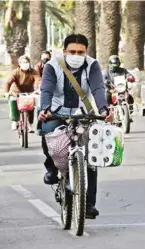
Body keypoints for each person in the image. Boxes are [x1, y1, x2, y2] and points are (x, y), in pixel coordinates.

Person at [39, 34, 113, 218]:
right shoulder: (52, 66)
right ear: (64, 51)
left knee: (90, 158)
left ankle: (88, 205)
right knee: (48, 134)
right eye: (72, 51)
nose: (76, 55)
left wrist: (104, 109)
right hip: (56, 111)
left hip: (84, 113)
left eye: (80, 52)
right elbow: (46, 88)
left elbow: (97, 88)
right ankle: (51, 169)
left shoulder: (92, 65)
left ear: (86, 52)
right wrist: (45, 108)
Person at [3, 55, 41, 132]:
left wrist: (38, 89)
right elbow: (7, 83)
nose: (25, 64)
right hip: (16, 93)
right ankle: (14, 120)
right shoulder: (16, 72)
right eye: (23, 62)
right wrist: (6, 92)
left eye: (27, 62)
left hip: (29, 93)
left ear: (29, 63)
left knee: (31, 106)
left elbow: (38, 81)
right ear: (19, 64)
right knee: (13, 101)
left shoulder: (33, 72)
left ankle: (29, 123)